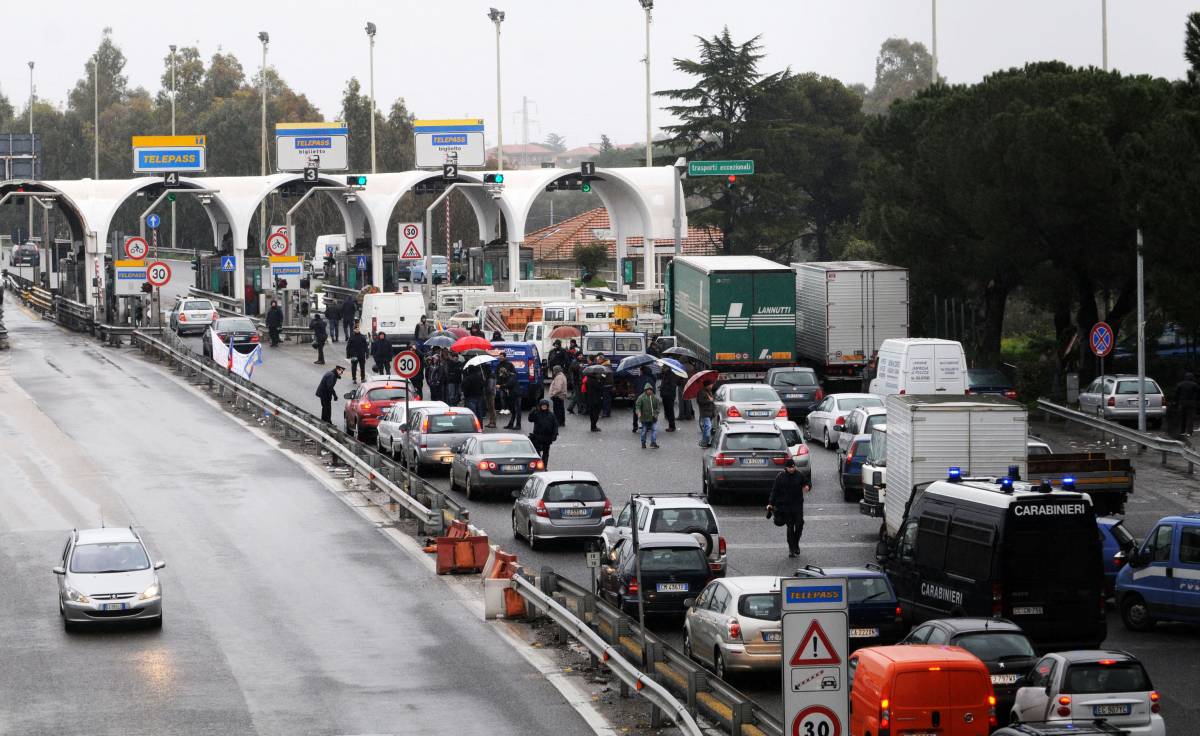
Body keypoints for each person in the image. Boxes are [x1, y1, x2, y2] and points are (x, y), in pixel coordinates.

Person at [767, 459, 812, 558]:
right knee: (790, 527)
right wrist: (770, 503)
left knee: (800, 524)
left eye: (793, 467)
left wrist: (807, 486)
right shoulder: (780, 477)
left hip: (797, 505)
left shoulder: (799, 475)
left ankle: (796, 543)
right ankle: (791, 548)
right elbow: (774, 491)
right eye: (790, 467)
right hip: (785, 506)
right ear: (786, 468)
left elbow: (807, 482)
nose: (792, 469)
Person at [527, 398, 559, 467]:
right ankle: (538, 466)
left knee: (546, 454)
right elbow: (530, 419)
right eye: (543, 405)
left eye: (545, 406)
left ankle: (544, 466)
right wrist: (532, 411)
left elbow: (555, 425)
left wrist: (555, 435)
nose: (544, 407)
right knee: (537, 453)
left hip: (547, 438)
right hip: (537, 437)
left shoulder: (551, 415)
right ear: (540, 406)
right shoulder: (536, 413)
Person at [634, 383, 662, 449]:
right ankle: (643, 442)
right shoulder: (641, 397)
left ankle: (653, 442)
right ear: (645, 390)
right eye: (648, 390)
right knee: (644, 430)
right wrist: (638, 412)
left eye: (650, 390)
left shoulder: (654, 398)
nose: (649, 391)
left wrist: (656, 413)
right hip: (644, 418)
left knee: (654, 429)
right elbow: (637, 405)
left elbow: (658, 407)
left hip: (653, 418)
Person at [500, 356, 522, 430]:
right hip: (511, 395)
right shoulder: (505, 377)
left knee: (517, 410)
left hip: (516, 395)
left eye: (502, 374)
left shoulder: (512, 376)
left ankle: (518, 424)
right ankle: (511, 424)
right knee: (513, 411)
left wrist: (500, 386)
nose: (502, 376)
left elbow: (510, 384)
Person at [632, 364, 656, 432]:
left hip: (639, 397)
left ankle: (635, 426)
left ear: (642, 371)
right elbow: (653, 389)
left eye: (640, 370)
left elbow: (634, 386)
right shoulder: (651, 379)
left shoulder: (639, 378)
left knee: (636, 411)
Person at [1176, 371, 1200, 437]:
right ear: (1191, 377)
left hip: (1182, 403)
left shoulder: (1180, 384)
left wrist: (1177, 402)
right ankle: (1189, 432)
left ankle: (1182, 431)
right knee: (1190, 418)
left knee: (1182, 417)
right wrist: (1196, 401)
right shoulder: (1195, 385)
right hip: (1191, 403)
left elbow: (1177, 394)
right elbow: (1198, 394)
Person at [659, 365, 679, 432]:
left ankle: (672, 426)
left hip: (669, 395)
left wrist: (665, 388)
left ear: (667, 368)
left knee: (670, 411)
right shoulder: (665, 374)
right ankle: (671, 425)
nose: (662, 368)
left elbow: (673, 386)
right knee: (667, 411)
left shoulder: (671, 375)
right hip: (665, 395)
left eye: (663, 368)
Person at [696, 382, 716, 447]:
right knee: (708, 427)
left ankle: (705, 442)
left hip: (710, 412)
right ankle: (704, 442)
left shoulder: (709, 391)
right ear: (707, 385)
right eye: (711, 384)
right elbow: (700, 402)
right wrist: (710, 400)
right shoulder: (701, 392)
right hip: (705, 413)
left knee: (707, 427)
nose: (712, 385)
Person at [484, 361, 498, 427]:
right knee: (490, 408)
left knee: (491, 407)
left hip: (490, 393)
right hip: (491, 392)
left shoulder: (490, 376)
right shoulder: (491, 374)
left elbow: (490, 386)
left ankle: (493, 422)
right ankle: (491, 421)